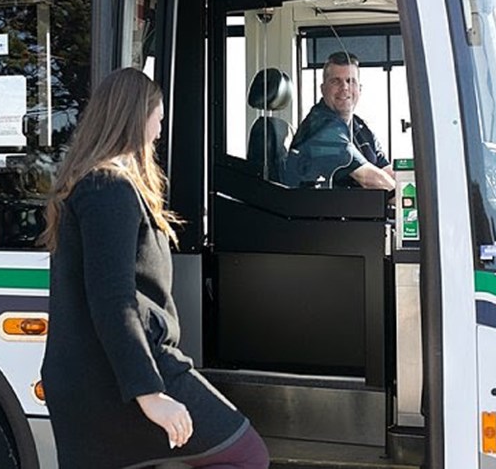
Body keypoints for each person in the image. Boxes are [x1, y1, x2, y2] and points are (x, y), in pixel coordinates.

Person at [40, 67, 269, 469]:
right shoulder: (107, 188)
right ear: (134, 116)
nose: (159, 132)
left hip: (102, 377)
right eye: (158, 119)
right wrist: (149, 394)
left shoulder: (98, 184)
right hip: (116, 380)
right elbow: (114, 301)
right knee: (246, 455)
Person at [285, 51, 395, 190]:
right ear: (323, 89)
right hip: (317, 209)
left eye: (350, 81)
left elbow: (386, 172)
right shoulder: (321, 127)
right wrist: (412, 198)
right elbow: (370, 179)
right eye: (335, 81)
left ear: (359, 89)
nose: (344, 87)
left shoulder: (359, 127)